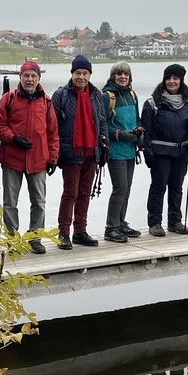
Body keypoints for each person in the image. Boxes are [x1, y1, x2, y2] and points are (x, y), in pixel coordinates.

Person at [0, 60, 59, 254]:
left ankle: (35, 237)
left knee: (39, 202)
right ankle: (12, 239)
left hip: (39, 159)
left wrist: (53, 158)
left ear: (39, 78)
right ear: (20, 77)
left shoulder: (46, 102)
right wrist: (13, 138)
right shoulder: (8, 99)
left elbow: (53, 133)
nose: (30, 79)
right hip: (12, 159)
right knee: (10, 203)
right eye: (26, 76)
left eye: (33, 76)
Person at [52, 55, 107, 249]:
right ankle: (63, 233)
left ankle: (80, 231)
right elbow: (52, 125)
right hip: (70, 152)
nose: (81, 77)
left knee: (85, 192)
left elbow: (101, 121)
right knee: (70, 193)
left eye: (85, 73)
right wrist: (55, 153)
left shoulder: (96, 94)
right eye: (78, 73)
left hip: (91, 150)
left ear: (89, 75)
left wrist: (104, 145)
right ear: (72, 74)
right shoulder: (61, 95)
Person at [141, 63, 188, 236]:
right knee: (158, 187)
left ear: (181, 81)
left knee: (176, 187)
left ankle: (175, 221)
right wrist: (148, 152)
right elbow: (146, 131)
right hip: (161, 153)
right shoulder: (153, 103)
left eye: (175, 78)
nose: (171, 81)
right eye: (169, 78)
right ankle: (155, 223)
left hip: (182, 153)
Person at [102, 62, 143, 242]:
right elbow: (102, 125)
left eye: (125, 74)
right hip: (115, 150)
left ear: (130, 77)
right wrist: (118, 134)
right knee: (120, 188)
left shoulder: (132, 95)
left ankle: (120, 223)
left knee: (127, 189)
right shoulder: (107, 96)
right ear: (113, 76)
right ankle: (110, 228)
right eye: (119, 74)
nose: (122, 77)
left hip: (130, 149)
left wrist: (139, 132)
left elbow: (137, 118)